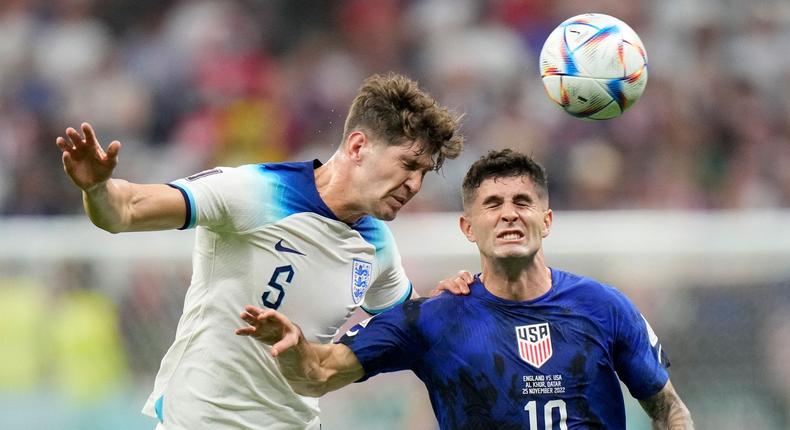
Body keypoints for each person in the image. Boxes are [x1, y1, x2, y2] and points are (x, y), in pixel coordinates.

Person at [55, 73, 464, 429]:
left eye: (423, 174)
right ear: (358, 146)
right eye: (408, 166)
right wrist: (97, 188)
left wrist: (451, 299)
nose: (415, 185)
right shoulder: (254, 192)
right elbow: (124, 210)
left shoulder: (377, 245)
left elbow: (406, 325)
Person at [237, 149, 695, 429]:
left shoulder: (604, 307)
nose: (509, 214)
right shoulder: (434, 318)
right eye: (492, 204)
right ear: (468, 227)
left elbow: (668, 409)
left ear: (547, 220)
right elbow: (317, 373)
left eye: (523, 202)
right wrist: (295, 347)